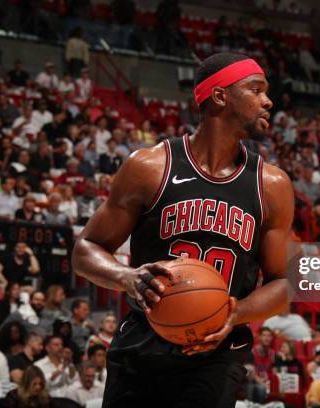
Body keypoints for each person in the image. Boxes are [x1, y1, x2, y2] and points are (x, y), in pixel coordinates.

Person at [72, 52, 293, 407]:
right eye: (256, 90)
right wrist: (127, 277)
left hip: (215, 355)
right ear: (220, 96)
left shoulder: (271, 185)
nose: (268, 100)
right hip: (143, 346)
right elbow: (86, 250)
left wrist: (234, 311)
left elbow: (285, 282)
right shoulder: (149, 166)